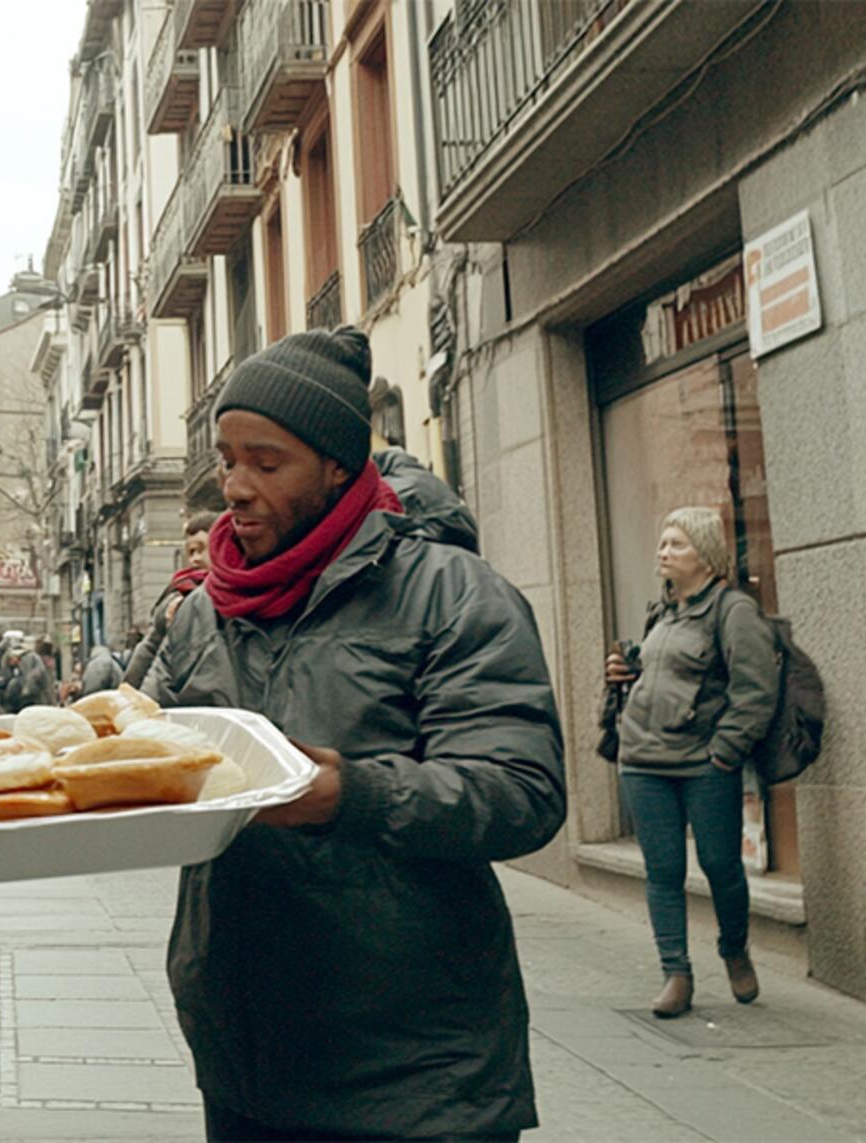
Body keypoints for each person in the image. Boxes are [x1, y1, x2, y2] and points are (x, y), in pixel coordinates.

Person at [145, 326, 565, 1141]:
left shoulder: (451, 593)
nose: (233, 485)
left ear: (337, 466)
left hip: (412, 1070)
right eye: (227, 458)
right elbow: (149, 749)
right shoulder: (207, 607)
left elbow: (522, 792)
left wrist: (348, 792)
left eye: (266, 463)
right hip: (244, 1055)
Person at [603, 507, 775, 1019]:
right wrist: (625, 674)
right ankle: (675, 973)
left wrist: (723, 754)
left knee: (721, 866)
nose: (663, 552)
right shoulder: (663, 613)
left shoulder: (733, 611)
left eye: (676, 544)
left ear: (706, 555)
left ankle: (734, 949)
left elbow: (756, 692)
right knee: (662, 871)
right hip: (642, 759)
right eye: (661, 543)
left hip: (703, 764)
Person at [124, 511, 218, 687]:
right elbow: (149, 650)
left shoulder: (232, 592)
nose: (195, 558)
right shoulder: (177, 593)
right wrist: (130, 692)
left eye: (202, 549)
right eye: (191, 552)